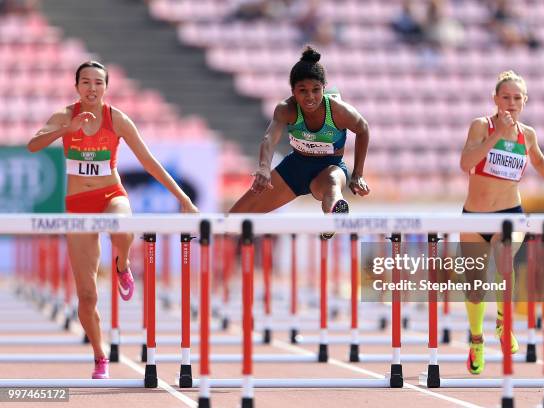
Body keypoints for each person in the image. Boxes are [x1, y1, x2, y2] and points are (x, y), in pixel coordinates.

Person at [27, 61, 198, 379]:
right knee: (87, 294)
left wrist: (183, 199)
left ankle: (121, 266)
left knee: (123, 227)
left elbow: (148, 161)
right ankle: (99, 355)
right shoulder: (65, 115)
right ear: (76, 86)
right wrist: (68, 129)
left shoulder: (116, 119)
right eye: (86, 82)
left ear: (106, 87)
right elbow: (33, 145)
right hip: (78, 205)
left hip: (110, 195)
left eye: (98, 83)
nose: (92, 88)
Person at [459, 70, 544, 375]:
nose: (511, 103)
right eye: (506, 97)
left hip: (511, 214)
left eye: (517, 98)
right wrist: (497, 136)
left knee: (505, 261)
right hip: (474, 217)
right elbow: (466, 163)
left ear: (524, 101)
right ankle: (476, 340)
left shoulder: (527, 134)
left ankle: (504, 322)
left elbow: (540, 161)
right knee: (475, 286)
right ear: (495, 99)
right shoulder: (481, 125)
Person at [229, 46, 370, 237]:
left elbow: (363, 129)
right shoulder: (286, 109)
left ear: (324, 88)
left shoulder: (337, 110)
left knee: (332, 182)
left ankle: (334, 216)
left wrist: (358, 174)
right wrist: (264, 167)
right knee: (233, 218)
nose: (310, 97)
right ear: (293, 91)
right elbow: (270, 137)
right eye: (302, 91)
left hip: (330, 166)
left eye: (316, 90)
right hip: (295, 168)